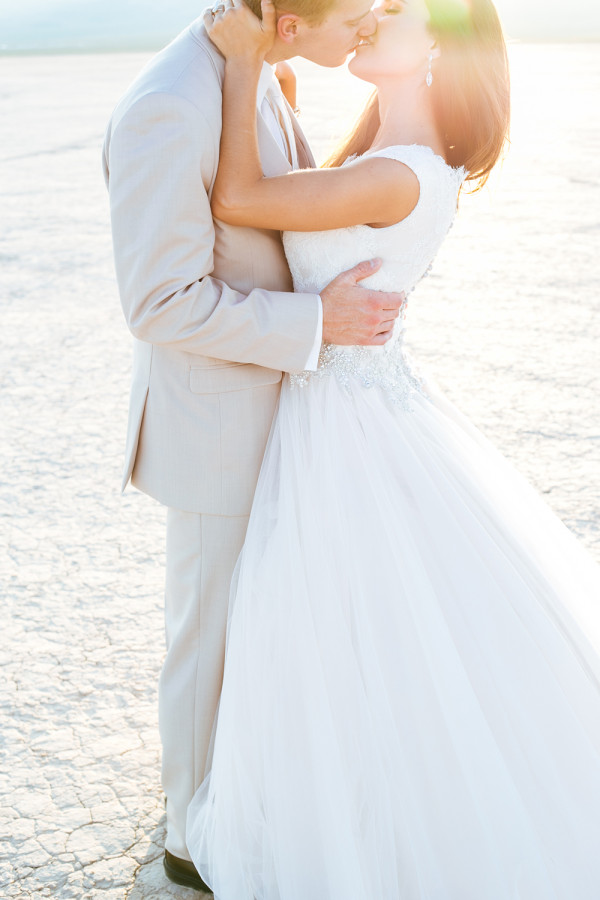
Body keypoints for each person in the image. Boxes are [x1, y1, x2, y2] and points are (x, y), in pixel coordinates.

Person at [186, 0, 600, 896]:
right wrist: (281, 86)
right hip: (353, 406)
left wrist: (246, 58)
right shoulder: (395, 164)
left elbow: (240, 199)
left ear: (442, 58)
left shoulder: (403, 173)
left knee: (338, 626)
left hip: (343, 421)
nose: (374, 16)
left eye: (401, 11)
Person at [102, 0, 408, 891]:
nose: (367, 23)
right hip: (216, 429)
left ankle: (241, 797)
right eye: (354, 13)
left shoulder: (249, 74)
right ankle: (192, 834)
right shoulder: (172, 103)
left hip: (277, 412)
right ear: (286, 19)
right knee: (209, 640)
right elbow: (158, 303)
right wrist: (319, 320)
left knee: (259, 629)